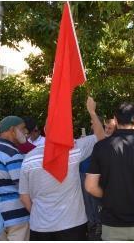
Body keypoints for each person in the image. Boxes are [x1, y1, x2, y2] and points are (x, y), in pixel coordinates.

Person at [19, 97, 106, 240]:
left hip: (40, 227)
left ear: (45, 130)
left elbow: (24, 197)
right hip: (73, 225)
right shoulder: (74, 150)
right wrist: (92, 112)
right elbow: (100, 137)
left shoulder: (28, 158)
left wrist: (38, 215)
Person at [85, 102, 134, 241]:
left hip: (112, 223)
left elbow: (90, 186)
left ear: (115, 120)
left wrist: (108, 196)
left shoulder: (101, 147)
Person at [0, 115, 30, 240]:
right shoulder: (12, 154)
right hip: (16, 216)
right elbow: (24, 186)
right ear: (12, 130)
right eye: (23, 128)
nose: (26, 132)